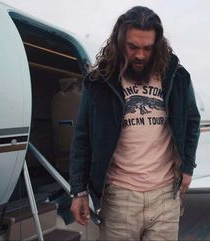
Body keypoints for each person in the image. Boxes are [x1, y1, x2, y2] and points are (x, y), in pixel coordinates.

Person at [69, 6, 200, 241]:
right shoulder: (98, 82)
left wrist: (188, 166)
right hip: (120, 198)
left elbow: (192, 122)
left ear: (158, 45)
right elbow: (82, 137)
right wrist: (79, 191)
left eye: (148, 48)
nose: (140, 55)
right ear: (120, 42)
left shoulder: (178, 77)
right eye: (133, 47)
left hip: (165, 197)